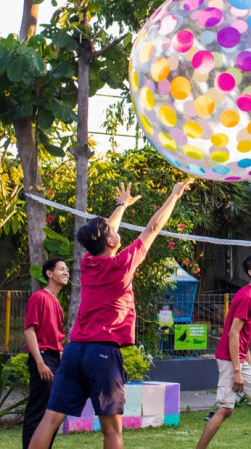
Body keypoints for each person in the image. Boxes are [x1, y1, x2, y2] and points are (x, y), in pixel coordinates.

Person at [29, 179, 192, 449]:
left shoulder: (89, 262)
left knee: (48, 421)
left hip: (74, 351)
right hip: (102, 354)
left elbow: (107, 232)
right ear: (109, 240)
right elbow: (153, 228)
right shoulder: (122, 264)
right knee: (113, 433)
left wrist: (122, 206)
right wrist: (174, 195)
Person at [196, 252, 251, 449]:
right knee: (227, 409)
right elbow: (233, 334)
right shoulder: (247, 296)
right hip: (230, 359)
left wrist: (250, 367)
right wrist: (237, 370)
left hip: (237, 358)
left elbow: (243, 338)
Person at [22, 258, 69, 449]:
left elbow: (56, 338)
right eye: (61, 269)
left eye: (67, 269)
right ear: (49, 274)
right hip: (42, 357)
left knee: (53, 411)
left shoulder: (56, 303)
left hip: (55, 359)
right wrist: (40, 363)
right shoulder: (39, 297)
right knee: (39, 411)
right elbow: (29, 330)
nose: (66, 272)